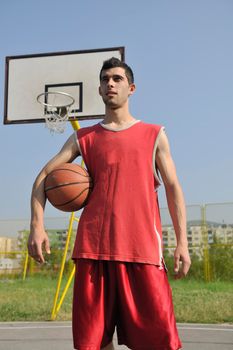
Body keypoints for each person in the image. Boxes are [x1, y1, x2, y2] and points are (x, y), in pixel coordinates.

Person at [28, 57, 191, 350]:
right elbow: (43, 177)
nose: (110, 84)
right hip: (94, 252)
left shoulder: (154, 134)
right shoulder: (83, 138)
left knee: (160, 343)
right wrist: (37, 226)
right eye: (105, 80)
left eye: (117, 79)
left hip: (142, 253)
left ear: (131, 88)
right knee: (93, 344)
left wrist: (182, 243)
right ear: (100, 90)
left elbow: (173, 187)